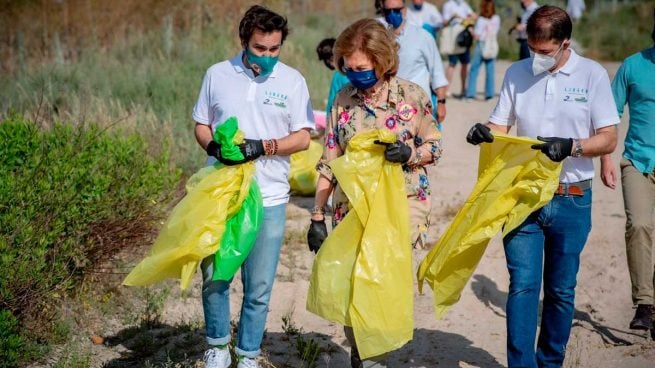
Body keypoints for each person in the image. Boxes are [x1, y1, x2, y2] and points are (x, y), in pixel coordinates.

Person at [466, 6, 619, 367]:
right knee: (522, 285)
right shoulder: (517, 72)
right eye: (531, 48)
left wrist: (572, 147)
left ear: (565, 43)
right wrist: (484, 133)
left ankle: (550, 362)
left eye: (545, 52)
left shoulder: (593, 75)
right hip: (522, 194)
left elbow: (609, 138)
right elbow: (500, 125)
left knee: (561, 292)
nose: (535, 57)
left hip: (572, 197)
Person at [307, 18, 442, 367]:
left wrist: (410, 154)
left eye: (362, 68)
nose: (355, 74)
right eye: (348, 68)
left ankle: (374, 358)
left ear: (382, 61)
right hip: (352, 208)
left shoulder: (411, 96)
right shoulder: (342, 99)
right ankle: (360, 353)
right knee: (354, 283)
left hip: (403, 206)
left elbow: (435, 147)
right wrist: (317, 216)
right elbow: (329, 160)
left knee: (379, 280)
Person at [192, 5, 314, 368]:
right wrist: (213, 147)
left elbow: (304, 137)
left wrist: (264, 147)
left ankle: (247, 353)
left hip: (271, 196)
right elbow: (201, 123)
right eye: (260, 48)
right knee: (215, 275)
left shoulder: (292, 81)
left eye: (275, 49)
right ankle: (216, 346)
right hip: (221, 193)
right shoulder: (217, 74)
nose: (268, 56)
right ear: (244, 41)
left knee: (258, 286)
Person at [600, 9, 655, 332]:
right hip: (637, 161)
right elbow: (609, 113)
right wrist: (606, 158)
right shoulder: (633, 65)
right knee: (640, 225)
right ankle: (645, 302)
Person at [375, 0, 448, 125]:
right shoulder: (377, 37)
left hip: (418, 106)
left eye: (396, 10)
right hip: (388, 108)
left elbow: (437, 72)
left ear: (404, 10)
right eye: (388, 11)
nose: (392, 14)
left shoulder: (422, 37)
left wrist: (441, 103)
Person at [465, 0, 500, 101]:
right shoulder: (497, 18)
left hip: (481, 45)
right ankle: (489, 95)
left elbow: (477, 36)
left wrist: (471, 29)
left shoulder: (480, 20)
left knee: (474, 70)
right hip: (492, 45)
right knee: (490, 70)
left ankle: (470, 94)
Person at [442, 0, 476, 98]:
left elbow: (474, 16)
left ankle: (463, 90)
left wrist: (466, 18)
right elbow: (444, 22)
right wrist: (453, 17)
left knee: (465, 64)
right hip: (453, 37)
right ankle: (446, 90)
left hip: (464, 36)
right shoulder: (448, 5)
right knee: (452, 64)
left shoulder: (464, 4)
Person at [316, 37, 351, 117]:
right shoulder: (354, 70)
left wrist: (329, 123)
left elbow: (332, 104)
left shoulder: (338, 76)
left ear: (330, 60)